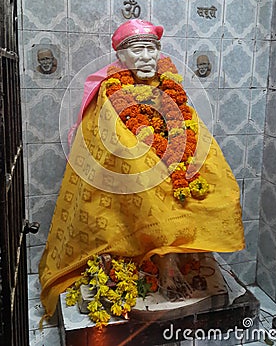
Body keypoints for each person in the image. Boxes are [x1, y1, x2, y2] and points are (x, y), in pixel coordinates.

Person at [39, 19, 245, 320]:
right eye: (138, 50)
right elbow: (110, 142)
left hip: (173, 161)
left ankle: (178, 259)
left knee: (214, 180)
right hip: (130, 169)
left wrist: (191, 157)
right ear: (120, 56)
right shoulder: (111, 90)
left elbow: (189, 127)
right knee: (145, 188)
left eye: (151, 49)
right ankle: (157, 265)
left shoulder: (170, 86)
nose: (147, 57)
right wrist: (144, 160)